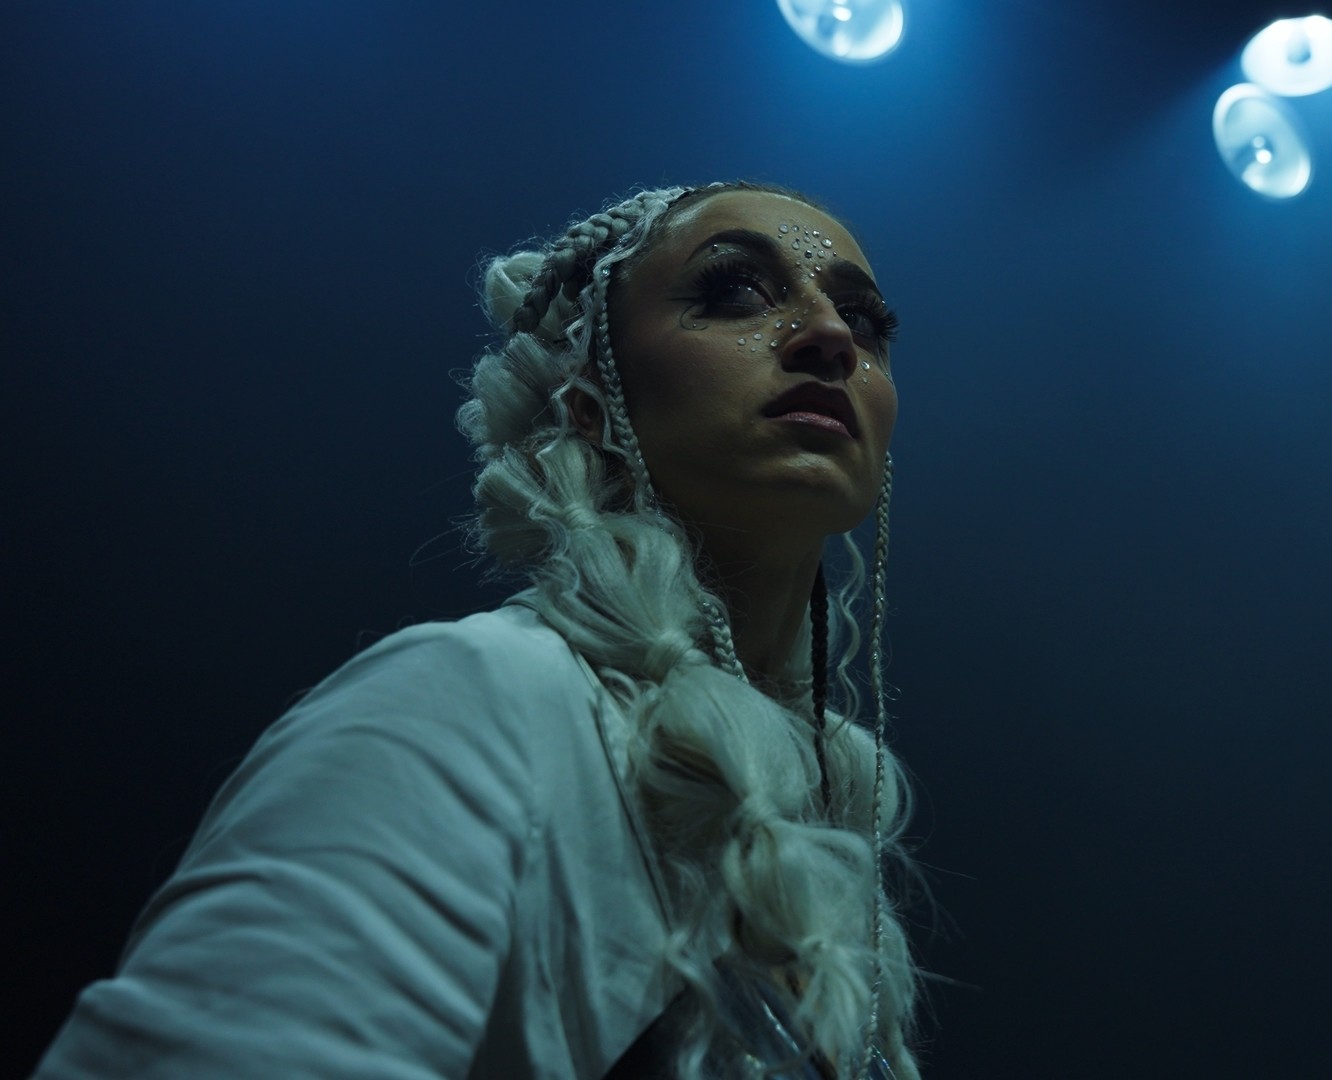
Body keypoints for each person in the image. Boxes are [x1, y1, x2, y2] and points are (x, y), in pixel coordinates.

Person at [33, 182, 923, 1079]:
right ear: (589, 400)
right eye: (734, 291)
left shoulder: (827, 834)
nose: (831, 337)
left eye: (866, 319)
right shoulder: (472, 697)